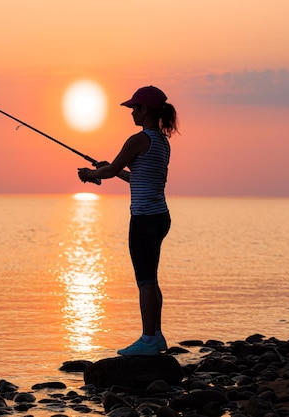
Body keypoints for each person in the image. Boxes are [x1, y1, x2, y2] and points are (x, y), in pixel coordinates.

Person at [78, 85, 178, 356]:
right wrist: (108, 168)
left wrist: (91, 173)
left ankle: (148, 339)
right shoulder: (162, 142)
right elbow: (138, 178)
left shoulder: (138, 139)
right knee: (152, 279)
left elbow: (110, 170)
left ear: (145, 110)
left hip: (144, 219)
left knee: (145, 280)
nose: (131, 112)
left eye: (134, 107)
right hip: (160, 217)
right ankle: (156, 335)